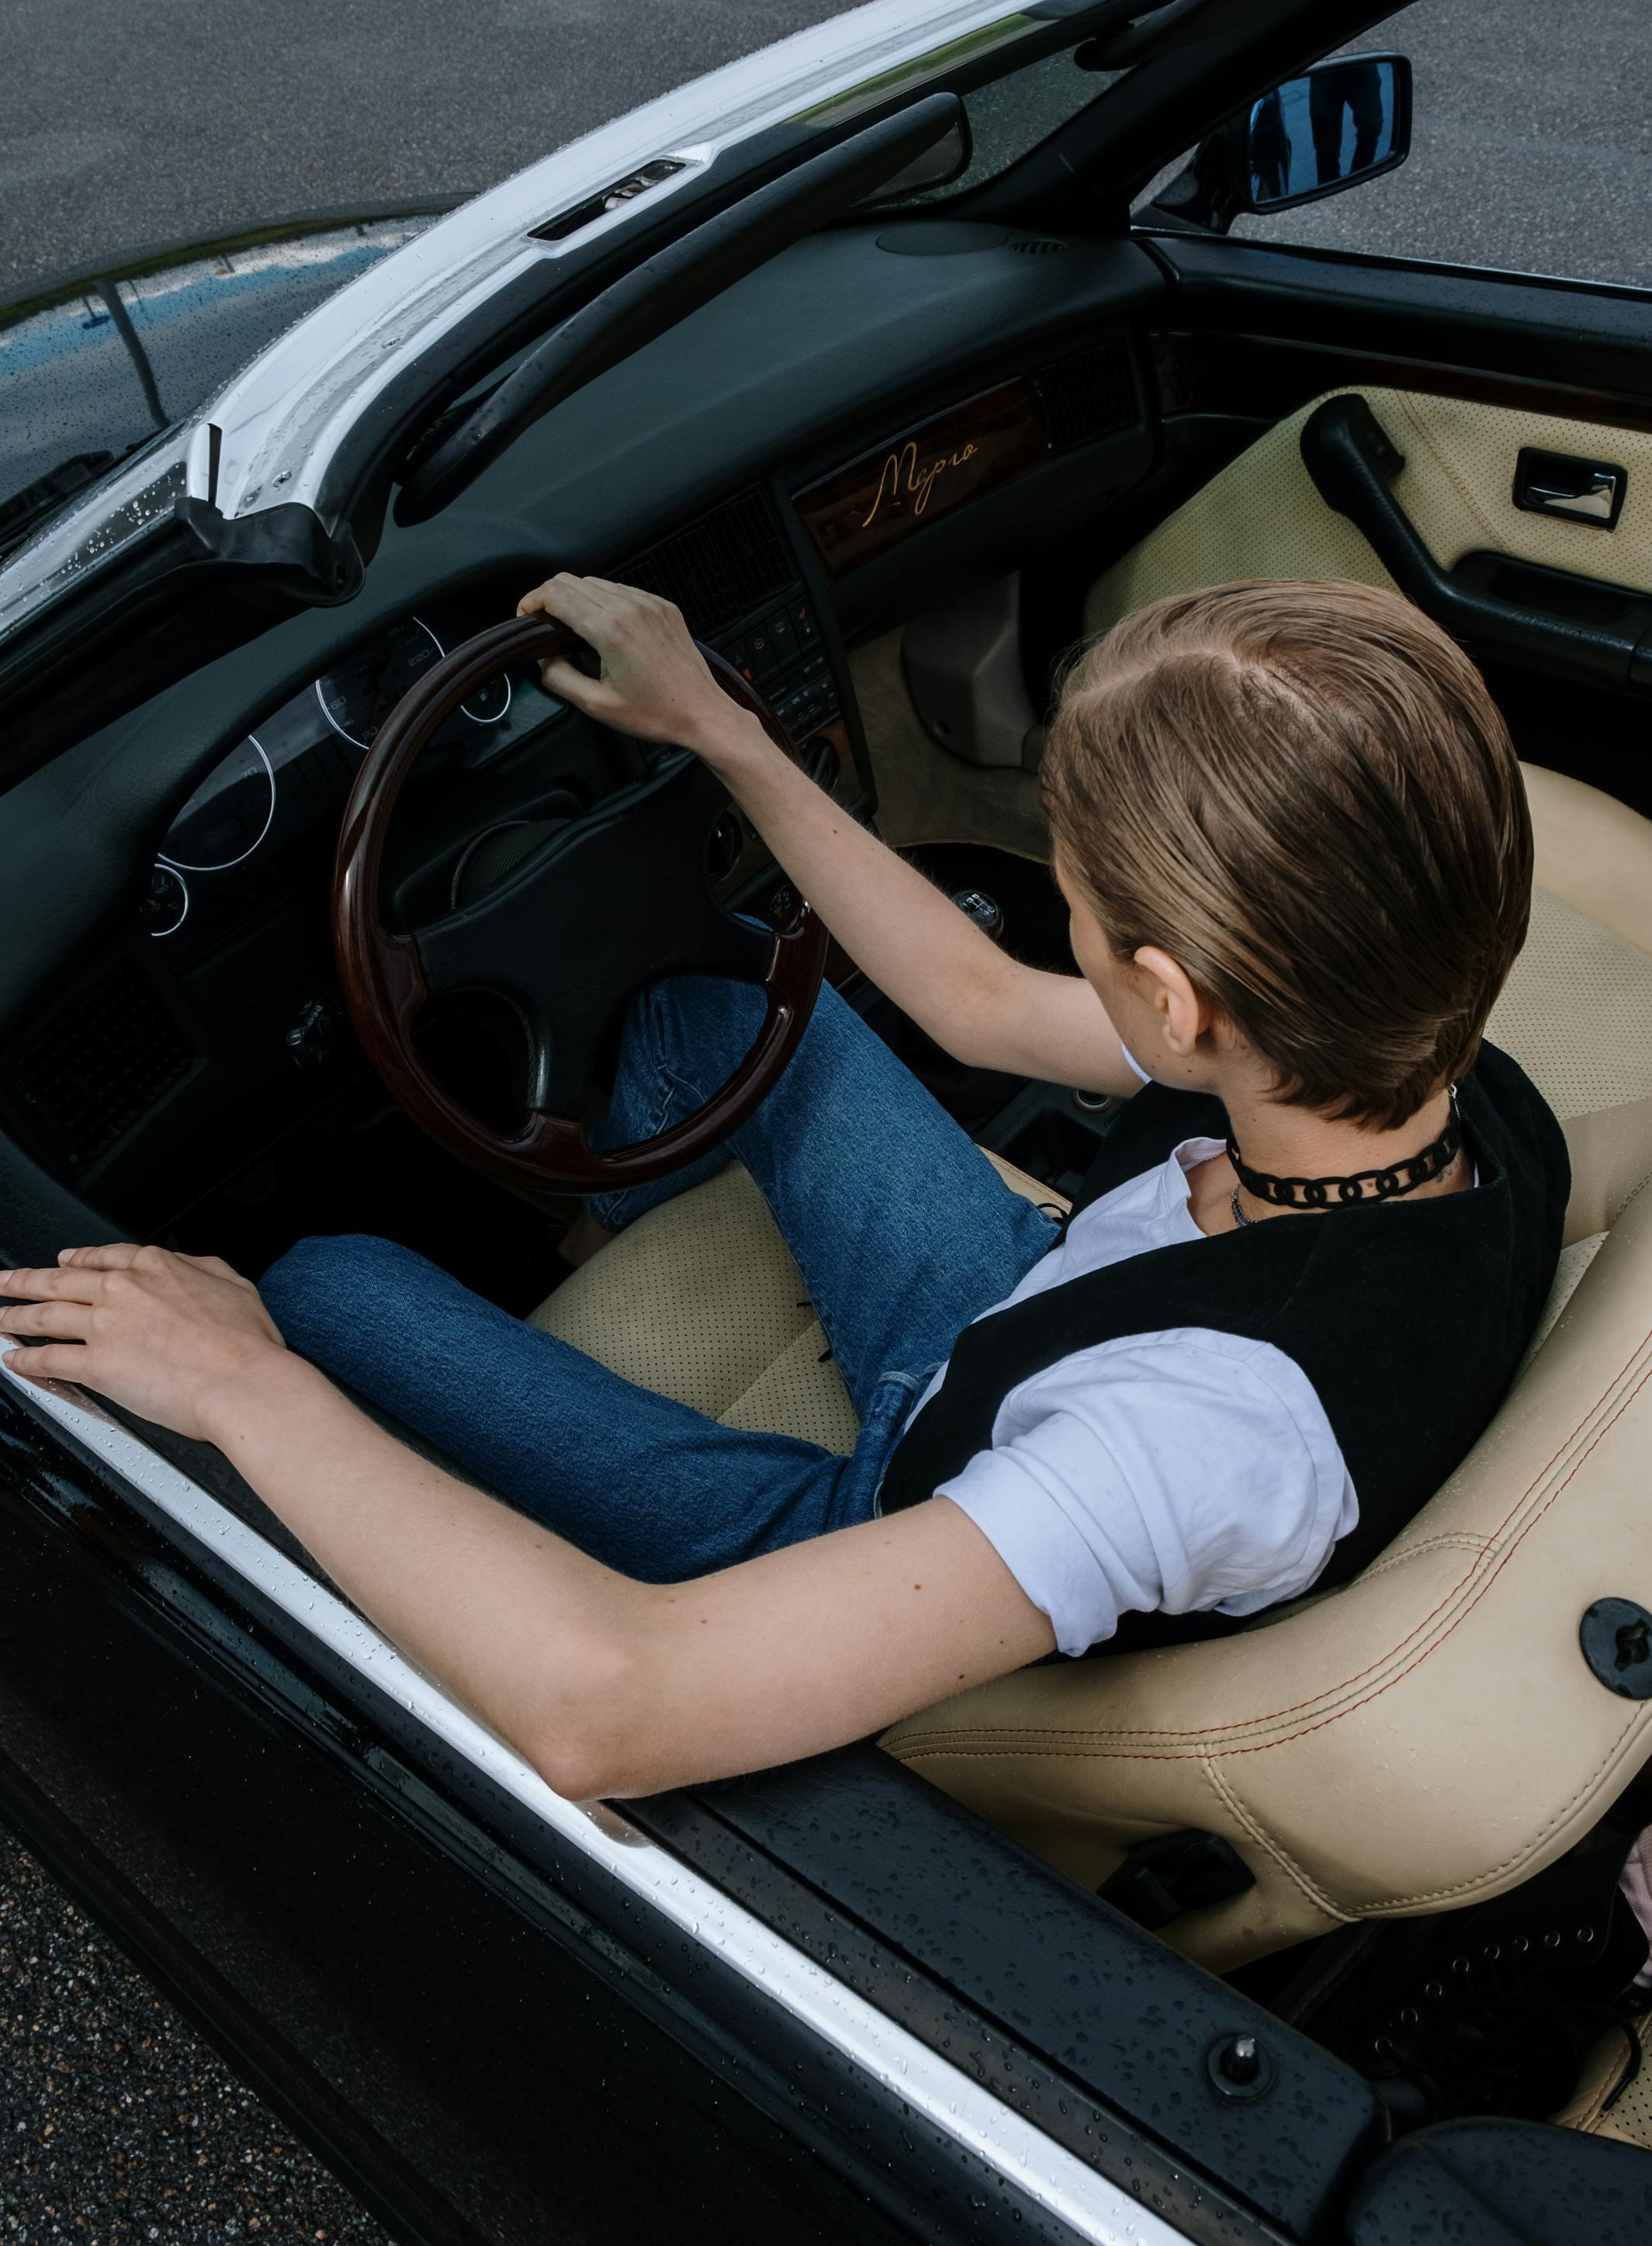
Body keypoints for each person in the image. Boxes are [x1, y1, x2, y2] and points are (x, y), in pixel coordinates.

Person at [0, 577, 1570, 1808]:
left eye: (1076, 904)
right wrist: (722, 734)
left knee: (326, 1290)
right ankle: (576, 1233)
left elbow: (609, 1708)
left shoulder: (1190, 1448)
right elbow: (971, 999)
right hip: (1031, 1322)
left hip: (911, 1501)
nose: (1061, 921)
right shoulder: (1415, 1054)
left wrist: (241, 1382)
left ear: (1178, 1005)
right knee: (720, 1023)